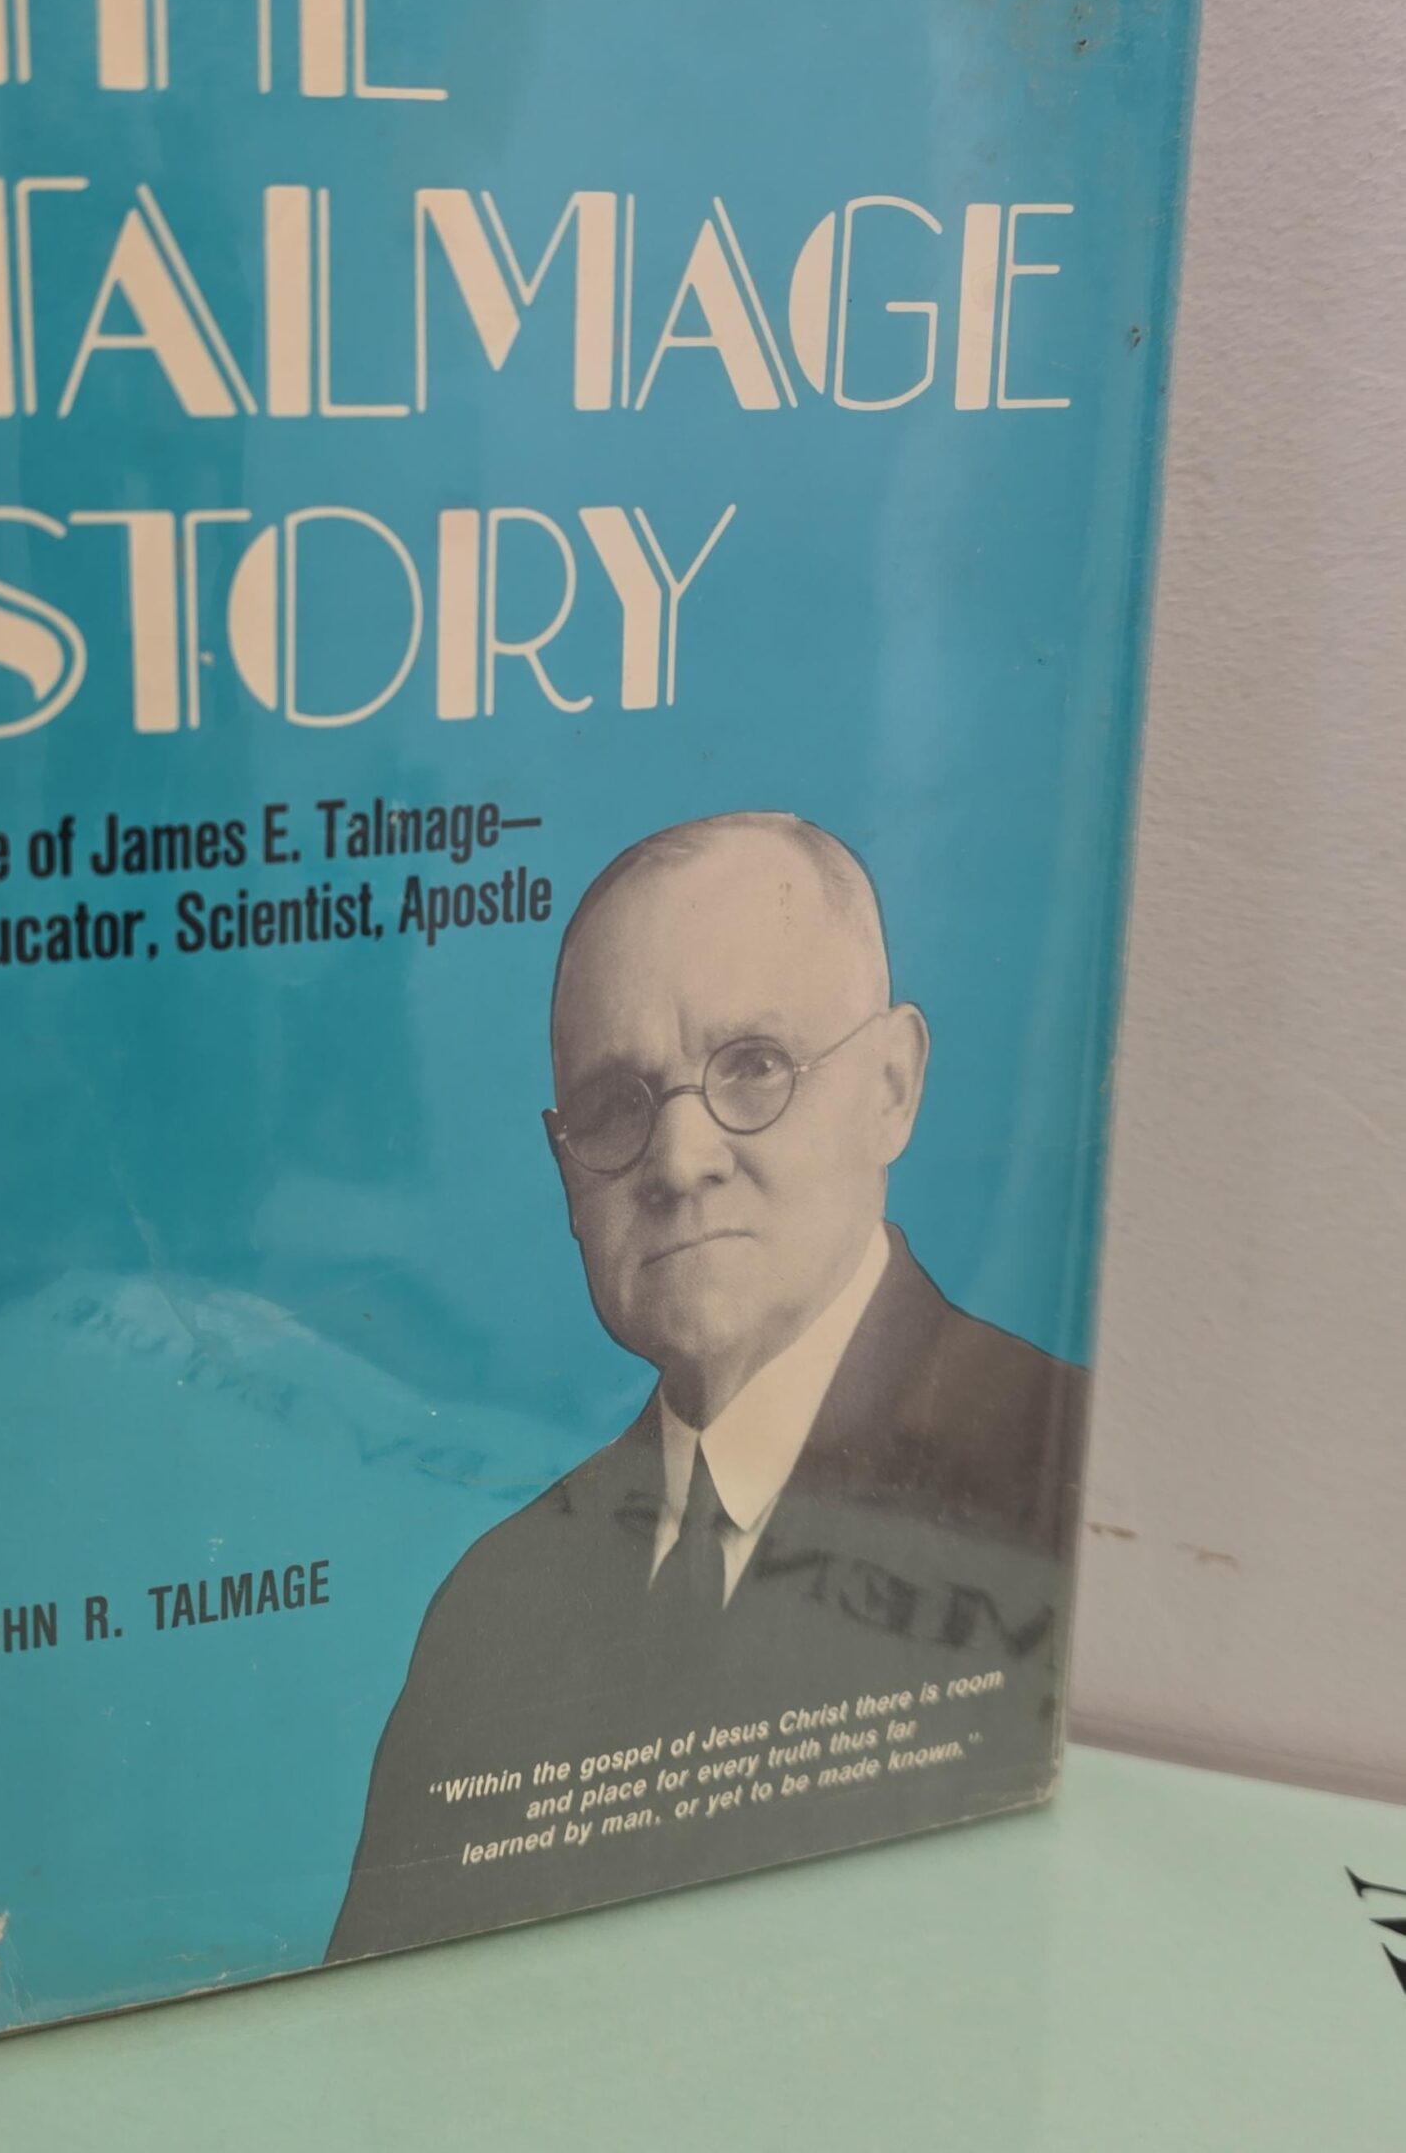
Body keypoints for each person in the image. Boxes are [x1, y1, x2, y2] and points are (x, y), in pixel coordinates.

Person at [327, 813, 1086, 1964]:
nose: (679, 1163)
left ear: (890, 1086)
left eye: (754, 1066)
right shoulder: (490, 1611)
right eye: (613, 1105)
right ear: (564, 1168)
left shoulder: (1047, 1474)